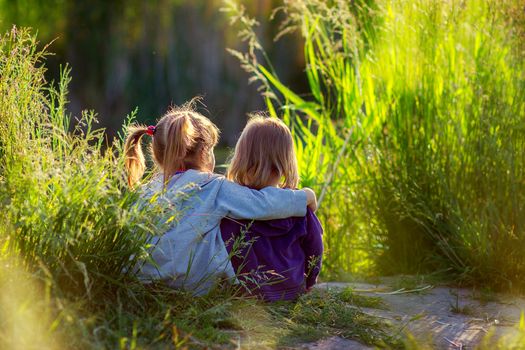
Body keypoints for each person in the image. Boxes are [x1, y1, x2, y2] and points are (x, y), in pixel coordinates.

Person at [124, 101, 317, 295]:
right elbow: (263, 204)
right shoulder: (214, 186)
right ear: (203, 152)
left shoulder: (144, 191)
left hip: (142, 278)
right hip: (190, 283)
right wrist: (305, 196)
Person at [220, 116, 323, 301]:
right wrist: (310, 281)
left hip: (249, 293)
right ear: (286, 161)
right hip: (293, 289)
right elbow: (315, 248)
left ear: (242, 157)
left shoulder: (234, 208)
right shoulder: (300, 205)